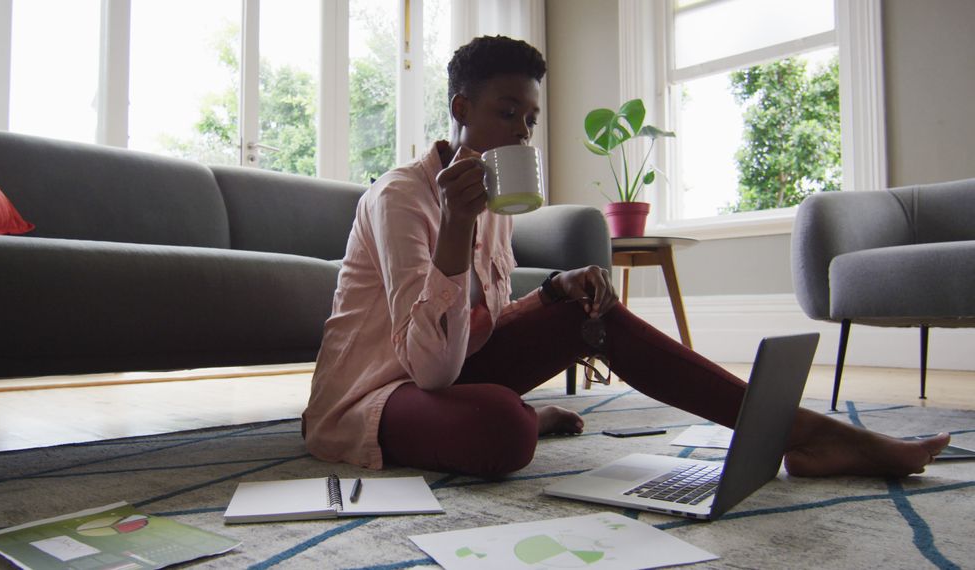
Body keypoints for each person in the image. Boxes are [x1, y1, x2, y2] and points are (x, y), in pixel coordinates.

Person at [302, 35, 949, 479]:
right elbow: (432, 371)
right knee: (506, 432)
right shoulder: (402, 199)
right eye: (508, 114)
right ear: (461, 110)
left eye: (530, 119)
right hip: (373, 399)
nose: (524, 133)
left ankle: (801, 432)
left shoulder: (494, 202)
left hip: (445, 375)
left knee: (591, 311)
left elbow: (475, 332)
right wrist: (454, 233)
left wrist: (552, 293)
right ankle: (520, 413)